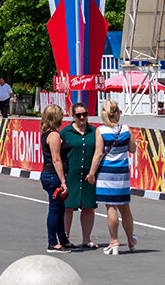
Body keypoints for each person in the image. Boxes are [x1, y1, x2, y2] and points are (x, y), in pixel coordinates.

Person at [86, 100, 137, 255]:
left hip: (106, 172)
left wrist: (92, 173)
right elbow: (133, 149)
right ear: (117, 114)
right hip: (122, 172)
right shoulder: (126, 129)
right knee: (125, 207)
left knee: (111, 207)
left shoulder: (101, 130)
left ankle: (114, 241)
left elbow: (99, 153)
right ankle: (130, 240)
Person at [61, 102, 98, 248]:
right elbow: (59, 153)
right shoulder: (65, 132)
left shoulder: (94, 132)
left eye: (84, 114)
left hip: (89, 176)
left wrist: (93, 172)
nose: (82, 117)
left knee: (88, 207)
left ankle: (86, 239)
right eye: (78, 115)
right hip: (71, 175)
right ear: (73, 116)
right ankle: (65, 238)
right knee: (68, 207)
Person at [39, 104, 72, 252]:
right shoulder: (53, 136)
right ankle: (52, 242)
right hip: (53, 176)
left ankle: (63, 239)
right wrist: (63, 181)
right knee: (54, 208)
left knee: (60, 208)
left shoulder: (47, 134)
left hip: (49, 175)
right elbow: (56, 159)